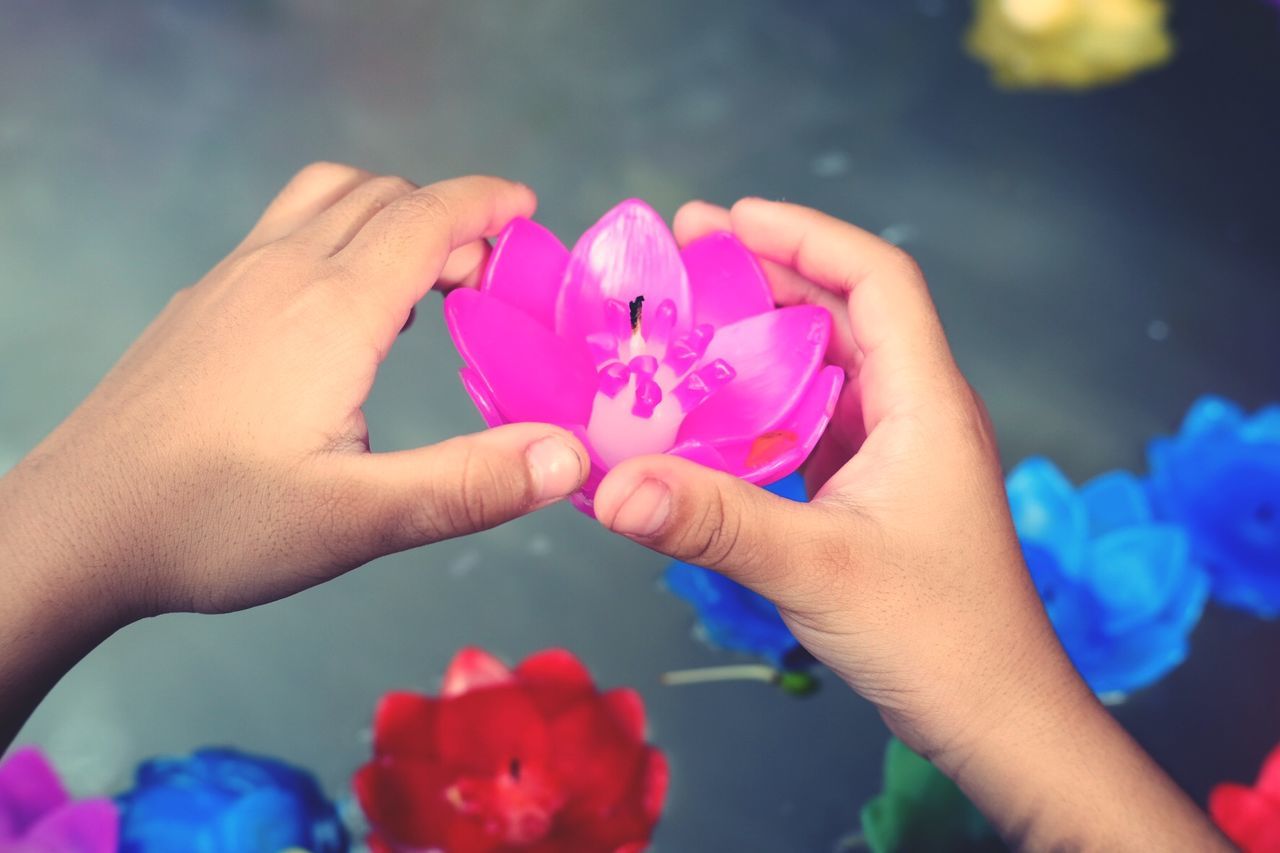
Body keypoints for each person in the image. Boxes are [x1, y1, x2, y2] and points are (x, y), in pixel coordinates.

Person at [0, 163, 1226, 851]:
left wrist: (59, 528)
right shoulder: (505, 327)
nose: (639, 357)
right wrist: (1013, 719)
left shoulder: (774, 365)